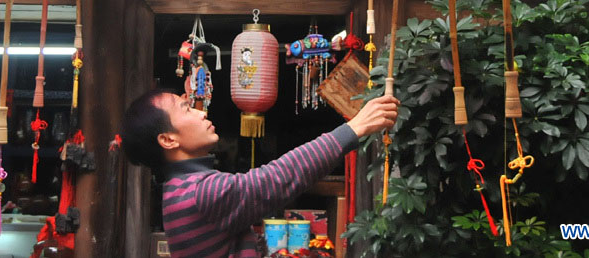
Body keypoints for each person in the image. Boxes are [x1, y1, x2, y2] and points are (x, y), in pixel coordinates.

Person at [121, 89, 399, 258]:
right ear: (168, 140)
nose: (200, 113)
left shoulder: (180, 187)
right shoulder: (198, 193)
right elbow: (274, 180)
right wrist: (354, 128)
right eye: (185, 109)